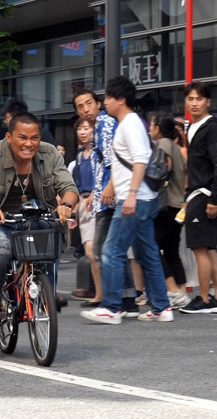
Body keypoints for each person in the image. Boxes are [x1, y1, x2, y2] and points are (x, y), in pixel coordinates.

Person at [0, 112, 78, 338]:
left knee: (51, 240)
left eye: (35, 138)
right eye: (22, 138)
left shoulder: (49, 154)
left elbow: (68, 186)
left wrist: (66, 205)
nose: (29, 144)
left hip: (36, 219)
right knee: (0, 251)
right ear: (9, 137)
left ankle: (45, 294)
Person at [80, 76, 172, 324]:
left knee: (111, 251)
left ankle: (112, 307)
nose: (105, 102)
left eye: (109, 97)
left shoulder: (129, 124)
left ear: (121, 99)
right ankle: (162, 307)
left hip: (135, 199)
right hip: (143, 198)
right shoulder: (130, 123)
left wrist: (130, 195)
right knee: (147, 253)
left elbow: (141, 159)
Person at [71, 88, 137, 313]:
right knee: (113, 250)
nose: (85, 109)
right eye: (80, 106)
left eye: (89, 103)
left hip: (110, 195)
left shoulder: (106, 124)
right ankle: (126, 299)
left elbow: (112, 160)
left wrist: (108, 189)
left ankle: (113, 302)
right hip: (104, 196)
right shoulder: (100, 126)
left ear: (98, 103)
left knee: (100, 250)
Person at [179, 81, 217, 314]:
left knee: (200, 249)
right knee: (208, 249)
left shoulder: (214, 127)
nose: (194, 103)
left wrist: (214, 198)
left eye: (199, 98)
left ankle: (204, 298)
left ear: (208, 101)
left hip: (207, 194)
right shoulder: (191, 127)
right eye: (190, 99)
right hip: (197, 195)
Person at [150, 113, 189, 307]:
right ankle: (182, 291)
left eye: (151, 124)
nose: (149, 128)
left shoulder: (163, 144)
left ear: (157, 128)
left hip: (167, 206)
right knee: (172, 250)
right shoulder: (177, 146)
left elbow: (164, 169)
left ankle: (171, 289)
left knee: (152, 246)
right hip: (179, 204)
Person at [68, 116, 101, 302]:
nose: (82, 132)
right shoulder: (80, 156)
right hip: (83, 204)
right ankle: (99, 293)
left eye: (87, 128)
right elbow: (78, 186)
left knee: (92, 251)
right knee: (90, 252)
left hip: (97, 203)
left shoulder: (98, 153)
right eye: (80, 128)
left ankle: (102, 293)